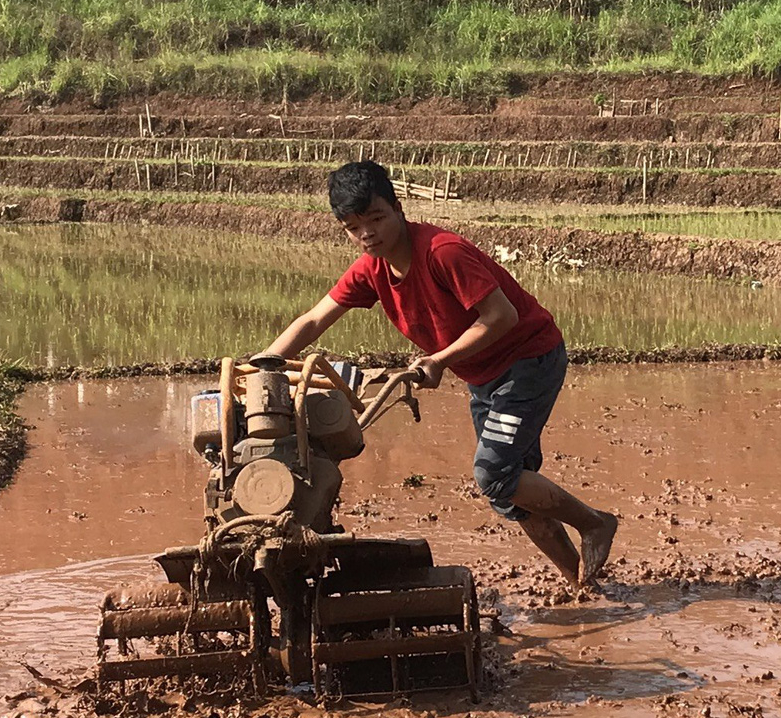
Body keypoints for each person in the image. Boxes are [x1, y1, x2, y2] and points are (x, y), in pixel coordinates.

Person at [263, 160, 619, 587]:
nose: (367, 234)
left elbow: (500, 316)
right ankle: (579, 581)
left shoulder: (441, 252)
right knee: (509, 494)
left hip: (528, 361)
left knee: (496, 475)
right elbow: (314, 320)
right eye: (353, 228)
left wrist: (439, 360)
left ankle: (595, 524)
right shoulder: (372, 270)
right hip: (484, 375)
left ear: (398, 209)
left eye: (376, 219)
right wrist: (261, 365)